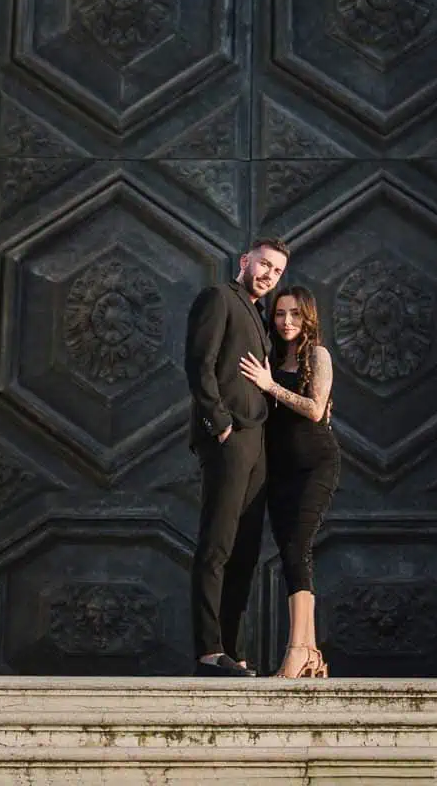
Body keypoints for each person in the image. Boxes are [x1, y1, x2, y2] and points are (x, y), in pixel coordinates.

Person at [184, 236, 289, 675]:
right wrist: (220, 423)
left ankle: (233, 650)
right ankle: (209, 651)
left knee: (245, 550)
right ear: (245, 261)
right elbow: (199, 363)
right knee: (218, 545)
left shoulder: (260, 314)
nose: (268, 275)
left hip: (257, 441)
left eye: (277, 271)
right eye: (264, 265)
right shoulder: (218, 298)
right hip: (230, 438)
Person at [239, 285, 339, 680]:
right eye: (280, 314)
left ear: (308, 317)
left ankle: (296, 650)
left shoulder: (318, 355)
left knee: (298, 547)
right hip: (278, 469)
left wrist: (270, 386)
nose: (286, 322)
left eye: (295, 314)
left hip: (315, 464)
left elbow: (315, 409)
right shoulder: (274, 356)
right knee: (292, 554)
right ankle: (312, 653)